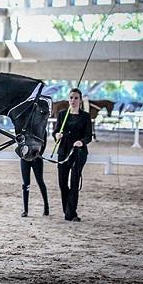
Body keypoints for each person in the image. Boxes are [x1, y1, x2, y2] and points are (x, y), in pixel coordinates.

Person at [53, 88, 92, 222]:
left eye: (76, 98)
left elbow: (88, 136)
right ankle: (67, 210)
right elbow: (56, 131)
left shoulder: (86, 116)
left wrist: (81, 142)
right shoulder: (62, 114)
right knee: (62, 184)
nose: (73, 100)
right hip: (63, 152)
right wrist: (57, 135)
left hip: (78, 154)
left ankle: (71, 213)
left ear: (80, 100)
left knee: (74, 183)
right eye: (71, 98)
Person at [19, 132, 49, 217]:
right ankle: (25, 210)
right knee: (26, 183)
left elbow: (43, 144)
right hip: (25, 159)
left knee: (40, 182)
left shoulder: (42, 129)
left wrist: (38, 154)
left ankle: (46, 207)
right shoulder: (23, 129)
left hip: (37, 159)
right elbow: (19, 143)